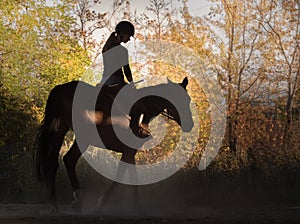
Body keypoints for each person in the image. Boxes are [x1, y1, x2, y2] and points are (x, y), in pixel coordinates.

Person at [99, 21, 149, 138]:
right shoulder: (122, 50)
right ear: (121, 34)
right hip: (115, 81)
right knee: (139, 106)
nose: (129, 39)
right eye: (128, 36)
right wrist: (132, 84)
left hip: (104, 81)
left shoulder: (107, 46)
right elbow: (126, 70)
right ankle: (134, 132)